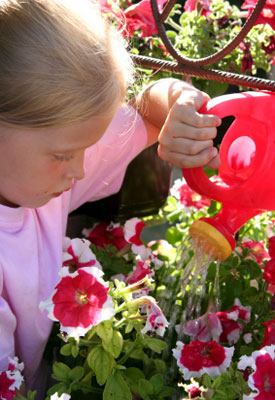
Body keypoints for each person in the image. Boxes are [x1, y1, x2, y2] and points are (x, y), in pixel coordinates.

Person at [0, 0, 221, 397]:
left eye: (87, 148)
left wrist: (178, 104)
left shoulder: (35, 172)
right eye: (65, 155)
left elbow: (148, 115)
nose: (81, 170)